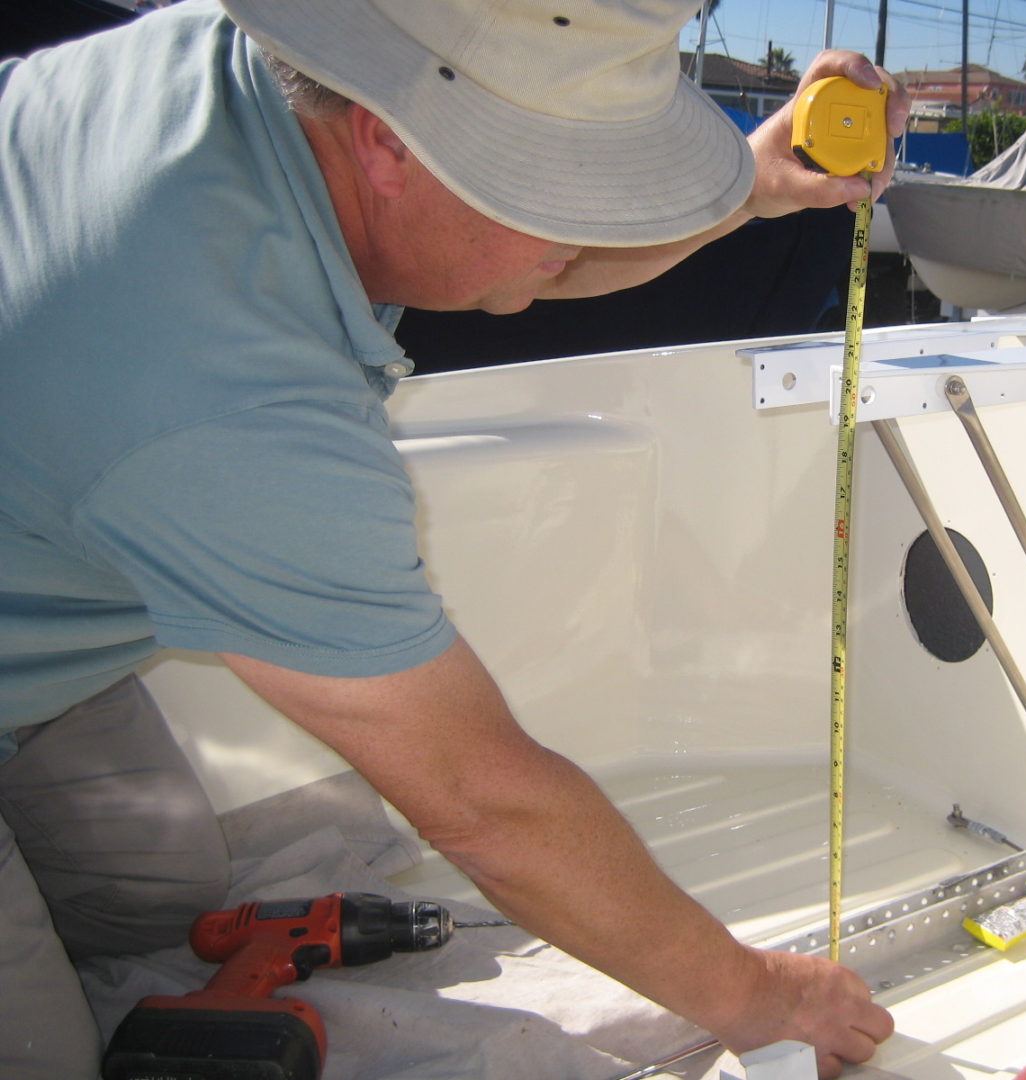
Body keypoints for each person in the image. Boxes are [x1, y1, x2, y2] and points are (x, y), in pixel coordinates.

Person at [0, 1, 910, 1076]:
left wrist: (754, 184)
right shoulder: (230, 405)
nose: (595, 234)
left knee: (163, 899)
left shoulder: (272, 64)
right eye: (565, 191)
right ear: (389, 142)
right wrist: (760, 994)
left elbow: (539, 260)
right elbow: (485, 803)